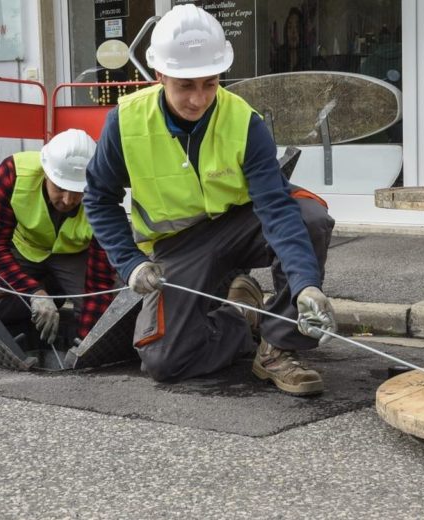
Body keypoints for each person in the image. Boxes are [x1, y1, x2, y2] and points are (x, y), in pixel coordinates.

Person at [83, 4, 337, 396]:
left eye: (210, 83)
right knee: (164, 361)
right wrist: (130, 263)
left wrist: (305, 285)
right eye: (186, 85)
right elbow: (99, 199)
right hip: (180, 247)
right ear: (160, 74)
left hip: (241, 226)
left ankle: (278, 346)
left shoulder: (243, 122)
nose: (199, 99)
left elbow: (275, 208)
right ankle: (242, 315)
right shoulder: (125, 122)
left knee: (309, 217)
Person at [0, 129, 116, 347]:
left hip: (74, 255)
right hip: (23, 250)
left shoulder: (104, 194)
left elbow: (100, 281)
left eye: (78, 190)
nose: (69, 200)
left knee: (104, 314)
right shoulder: (12, 173)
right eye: (60, 188)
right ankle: (35, 308)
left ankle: (55, 295)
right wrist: (34, 293)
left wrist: (86, 345)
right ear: (46, 172)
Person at [270, 7, 312, 73]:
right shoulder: (280, 55)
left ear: (301, 31)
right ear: (286, 31)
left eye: (297, 27)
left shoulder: (307, 56)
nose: (293, 32)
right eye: (290, 27)